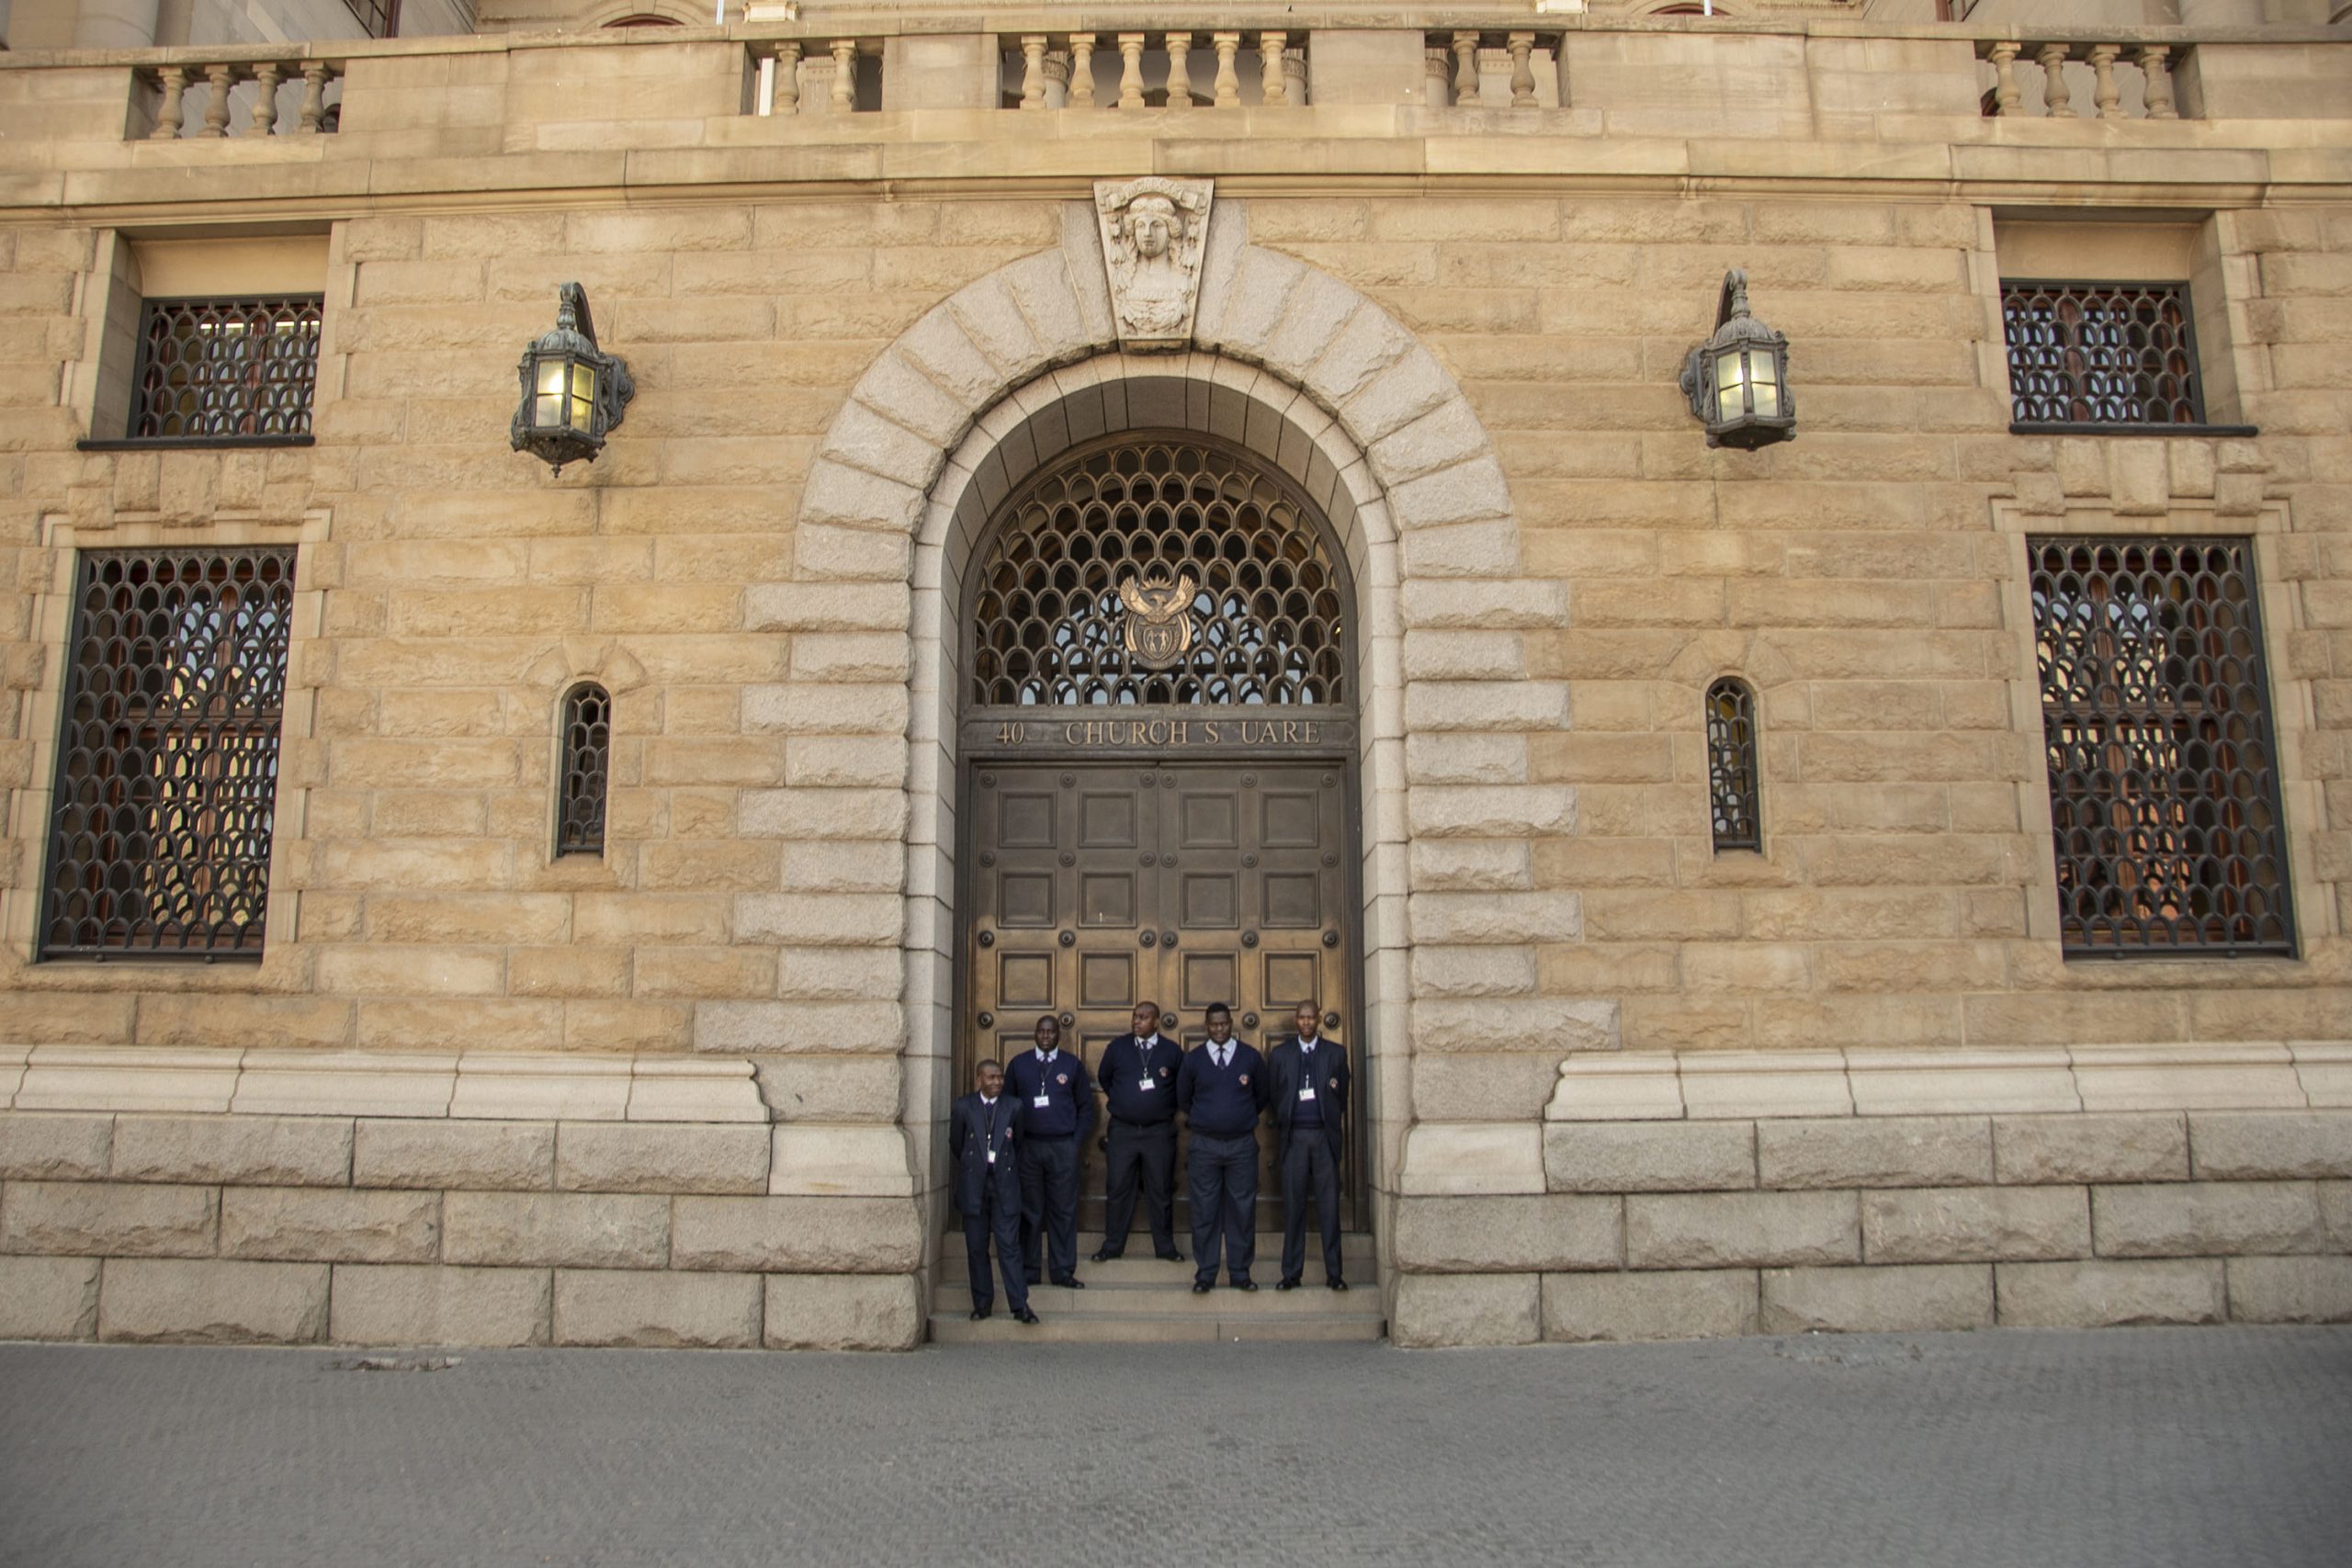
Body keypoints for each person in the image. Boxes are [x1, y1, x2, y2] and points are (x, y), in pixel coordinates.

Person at [1175, 1002, 1268, 1294]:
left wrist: (1237, 1118)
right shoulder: (1193, 1060)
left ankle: (1240, 1272)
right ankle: (1206, 1273)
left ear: (1231, 1024)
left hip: (1241, 1145)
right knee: (1205, 1210)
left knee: (1242, 1210)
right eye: (1213, 1025)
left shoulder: (1250, 1057)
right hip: (1204, 1146)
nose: (1219, 1029)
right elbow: (1184, 1099)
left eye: (1224, 1024)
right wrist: (1210, 1119)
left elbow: (1262, 1096)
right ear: (1207, 1025)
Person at [1001, 1013, 1095, 1289]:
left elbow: (1086, 1107)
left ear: (1058, 1035)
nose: (1045, 1037)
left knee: (1063, 1211)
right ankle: (1030, 1270)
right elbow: (1008, 1104)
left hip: (1062, 1147)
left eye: (1050, 1032)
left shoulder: (1072, 1065)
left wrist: (1074, 1143)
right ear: (1035, 1034)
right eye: (1041, 1032)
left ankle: (1062, 1271)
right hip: (1029, 1147)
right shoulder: (1019, 1064)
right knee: (1030, 1211)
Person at [1092, 999, 1186, 1264]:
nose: (1137, 1021)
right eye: (1135, 1016)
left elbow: (1182, 1086)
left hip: (1158, 1133)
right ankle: (1112, 1246)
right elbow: (1105, 1078)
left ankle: (1165, 1247)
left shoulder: (1171, 1051)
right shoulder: (1117, 1048)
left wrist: (1159, 1107)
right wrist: (1127, 1102)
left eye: (1143, 1017)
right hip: (1123, 1131)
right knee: (1118, 1188)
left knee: (1160, 1190)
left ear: (1156, 1022)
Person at [1268, 1001, 1350, 1292]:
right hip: (1295, 1139)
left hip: (1323, 1139)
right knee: (1294, 1207)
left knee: (1329, 1208)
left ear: (1319, 1020)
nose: (1305, 1022)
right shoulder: (1280, 1055)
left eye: (1310, 1018)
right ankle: (1291, 1273)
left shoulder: (1336, 1054)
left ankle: (1335, 1273)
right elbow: (1274, 1095)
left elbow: (1341, 1097)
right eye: (1301, 1018)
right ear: (1295, 1020)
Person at [949, 1058, 1037, 1325]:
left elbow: (1019, 1143)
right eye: (991, 1077)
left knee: (1008, 1246)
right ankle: (982, 1303)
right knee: (976, 1247)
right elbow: (957, 1143)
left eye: (999, 1077)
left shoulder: (1014, 1106)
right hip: (974, 1186)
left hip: (1005, 1186)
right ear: (979, 1080)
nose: (997, 1082)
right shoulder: (964, 1107)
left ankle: (1020, 1305)